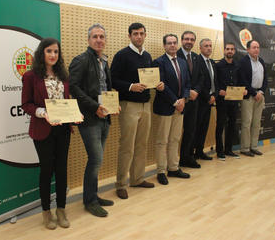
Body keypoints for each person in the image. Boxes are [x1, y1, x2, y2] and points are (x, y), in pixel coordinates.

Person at [22, 38, 78, 230]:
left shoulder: (64, 75)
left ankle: (61, 210)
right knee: (46, 171)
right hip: (43, 129)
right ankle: (46, 212)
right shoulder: (31, 76)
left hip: (63, 129)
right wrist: (42, 113)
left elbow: (67, 101)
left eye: (56, 51)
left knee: (62, 170)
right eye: (49, 51)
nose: (53, 55)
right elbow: (26, 104)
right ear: (41, 53)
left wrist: (74, 115)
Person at [111, 23, 164, 199]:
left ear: (145, 35)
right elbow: (112, 81)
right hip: (129, 105)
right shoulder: (121, 55)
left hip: (145, 105)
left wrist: (158, 84)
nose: (139, 37)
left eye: (141, 34)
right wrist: (131, 86)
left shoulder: (147, 56)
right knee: (127, 146)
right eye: (135, 34)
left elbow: (150, 79)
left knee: (141, 144)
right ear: (130, 36)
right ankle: (120, 183)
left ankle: (137, 178)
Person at [69, 24, 115, 217]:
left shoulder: (104, 61)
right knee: (95, 159)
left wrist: (114, 104)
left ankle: (93, 196)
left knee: (98, 159)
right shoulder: (80, 60)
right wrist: (94, 107)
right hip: (89, 118)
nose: (99, 40)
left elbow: (107, 88)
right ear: (88, 40)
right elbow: (73, 87)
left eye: (102, 37)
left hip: (105, 116)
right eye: (95, 36)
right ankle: (90, 201)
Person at [153, 34, 191, 185]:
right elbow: (161, 85)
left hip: (180, 106)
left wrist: (184, 99)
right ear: (164, 46)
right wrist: (175, 101)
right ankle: (161, 171)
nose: (173, 46)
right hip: (165, 106)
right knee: (162, 141)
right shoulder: (158, 62)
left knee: (175, 139)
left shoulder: (182, 62)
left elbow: (187, 83)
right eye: (169, 43)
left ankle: (174, 168)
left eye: (175, 43)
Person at [215, 43, 246, 160]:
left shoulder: (237, 65)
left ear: (234, 51)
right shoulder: (218, 66)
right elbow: (215, 82)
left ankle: (229, 150)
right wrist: (219, 91)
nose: (230, 51)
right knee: (220, 125)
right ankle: (220, 151)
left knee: (232, 125)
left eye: (232, 49)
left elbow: (241, 81)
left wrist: (244, 90)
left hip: (234, 99)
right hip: (222, 100)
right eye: (228, 49)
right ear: (224, 51)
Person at [178, 31, 203, 168]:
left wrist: (197, 91)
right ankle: (174, 161)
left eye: (192, 39)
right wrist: (187, 92)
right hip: (180, 100)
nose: (189, 41)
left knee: (190, 130)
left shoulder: (196, 57)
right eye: (186, 39)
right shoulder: (175, 55)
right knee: (175, 134)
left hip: (194, 101)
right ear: (182, 40)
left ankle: (186, 157)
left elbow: (201, 77)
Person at [238, 40, 267, 157]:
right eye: (254, 47)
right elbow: (242, 80)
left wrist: (261, 92)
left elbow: (265, 79)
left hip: (260, 96)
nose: (256, 50)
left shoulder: (262, 61)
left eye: (258, 47)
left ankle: (254, 146)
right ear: (248, 49)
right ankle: (245, 148)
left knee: (256, 123)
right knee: (247, 122)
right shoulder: (243, 62)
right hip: (249, 96)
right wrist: (254, 93)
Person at [193, 38, 218, 161]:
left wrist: (214, 95)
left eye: (210, 45)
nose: (209, 48)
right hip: (200, 100)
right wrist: (207, 97)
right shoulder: (197, 61)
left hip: (210, 100)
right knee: (196, 127)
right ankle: (191, 153)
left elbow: (215, 81)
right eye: (206, 46)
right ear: (200, 48)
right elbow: (199, 82)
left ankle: (200, 151)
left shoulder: (212, 62)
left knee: (204, 127)